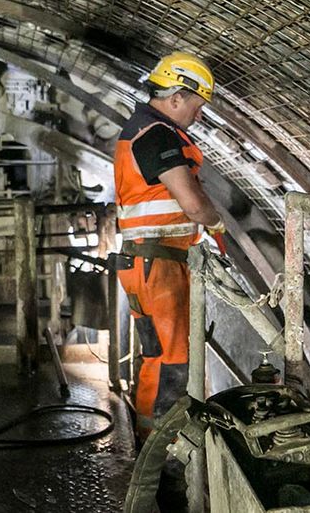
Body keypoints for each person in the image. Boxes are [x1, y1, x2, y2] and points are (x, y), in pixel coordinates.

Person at [112, 52, 224, 439]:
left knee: (161, 357)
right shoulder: (155, 133)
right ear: (176, 97)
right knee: (172, 361)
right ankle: (166, 459)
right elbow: (191, 203)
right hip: (157, 266)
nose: (199, 115)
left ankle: (154, 451)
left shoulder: (147, 128)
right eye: (197, 105)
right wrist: (216, 221)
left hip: (150, 261)